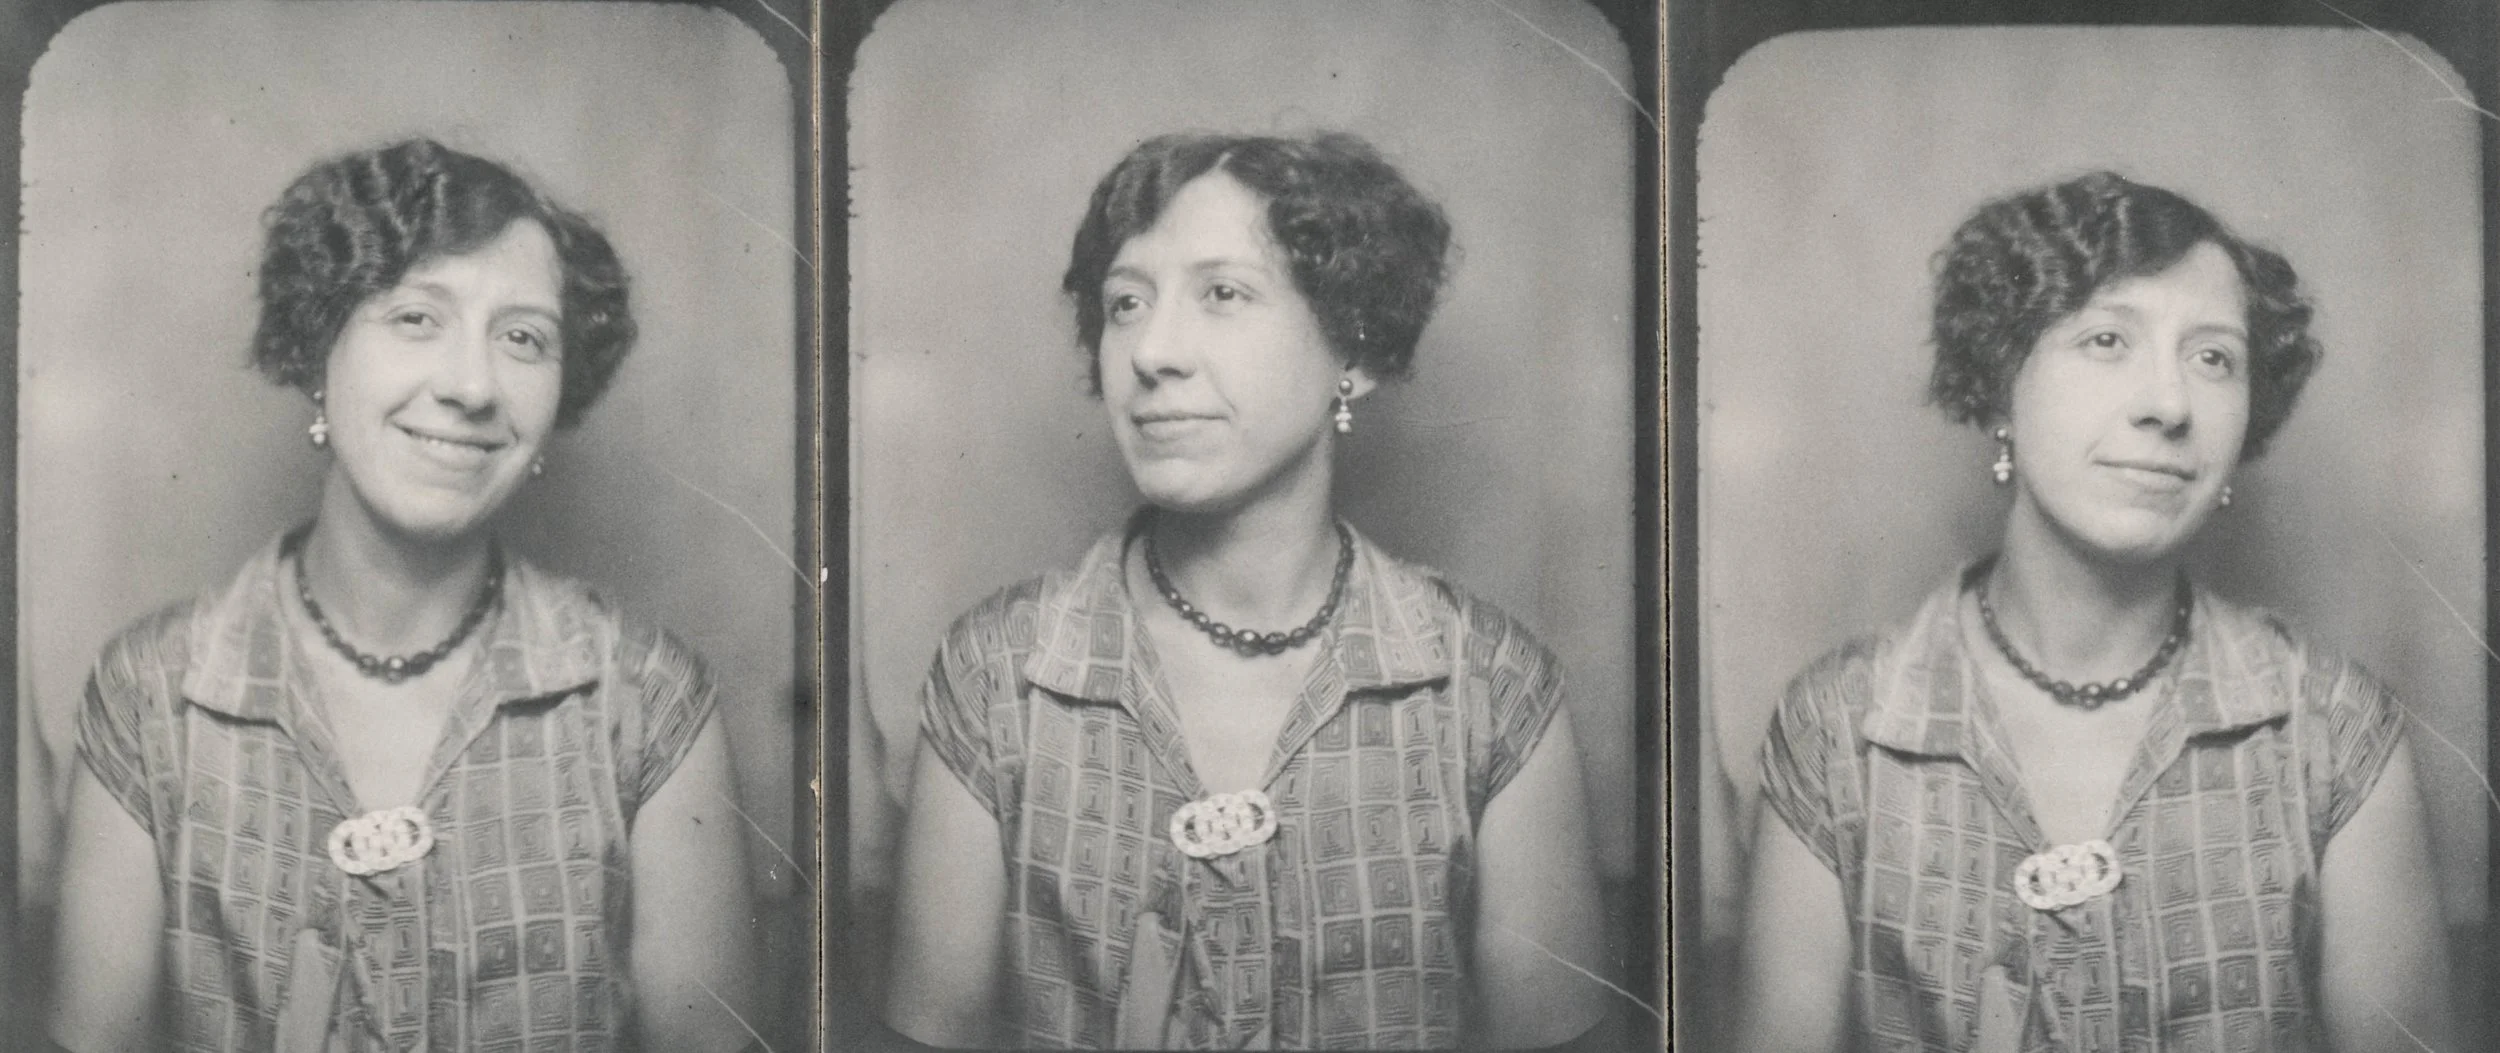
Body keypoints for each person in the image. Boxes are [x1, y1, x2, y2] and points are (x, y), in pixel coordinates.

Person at [881, 131, 1610, 1049]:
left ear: (1354, 350)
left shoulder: (1491, 688)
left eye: (1222, 293)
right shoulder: (997, 676)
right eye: (1126, 302)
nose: (1152, 351)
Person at [44, 139, 762, 1053]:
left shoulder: (647, 701)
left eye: (523, 338)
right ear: (317, 348)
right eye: (417, 317)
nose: (471, 386)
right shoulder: (151, 696)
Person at [1733, 172, 2458, 1052]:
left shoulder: (2333, 732)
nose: (2170, 404)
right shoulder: (1838, 730)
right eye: (2107, 339)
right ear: (2001, 379)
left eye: (2214, 358)